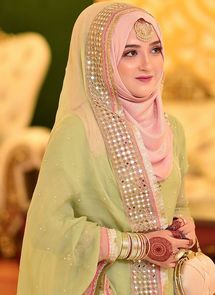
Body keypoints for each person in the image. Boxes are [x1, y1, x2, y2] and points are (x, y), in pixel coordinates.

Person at [17, 1, 196, 294]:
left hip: (166, 283)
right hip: (108, 286)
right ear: (102, 59)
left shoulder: (171, 127)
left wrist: (184, 223)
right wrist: (137, 246)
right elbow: (47, 227)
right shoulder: (79, 130)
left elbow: (178, 201)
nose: (147, 65)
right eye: (129, 53)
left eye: (155, 49)